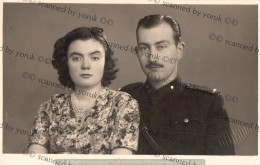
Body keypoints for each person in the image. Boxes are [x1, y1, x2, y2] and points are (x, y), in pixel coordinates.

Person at [120, 15, 235, 155]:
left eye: (161, 46)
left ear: (179, 49)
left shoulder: (207, 103)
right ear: (137, 53)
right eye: (144, 48)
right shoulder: (125, 98)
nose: (152, 57)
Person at [27, 27, 140, 154]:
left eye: (95, 58)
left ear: (105, 62)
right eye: (76, 58)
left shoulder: (123, 104)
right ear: (65, 63)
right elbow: (34, 158)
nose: (86, 65)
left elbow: (120, 161)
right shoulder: (50, 107)